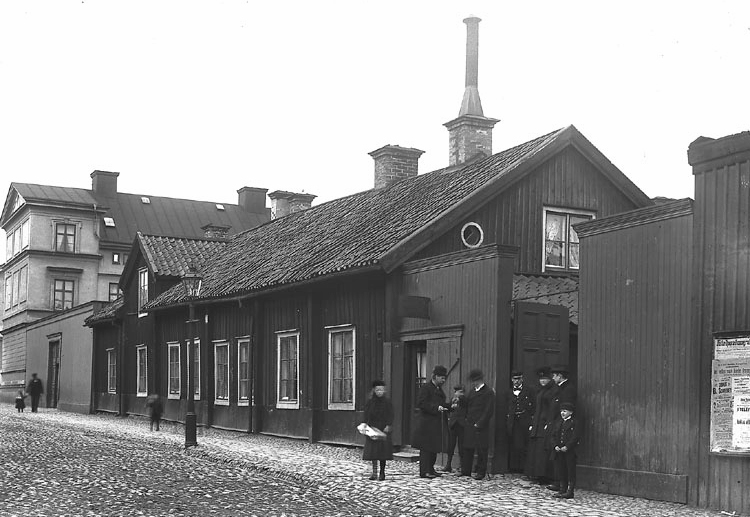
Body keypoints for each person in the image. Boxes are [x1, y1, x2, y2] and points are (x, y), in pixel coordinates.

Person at [412, 365, 450, 479]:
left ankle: (431, 469)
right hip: (426, 423)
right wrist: (435, 408)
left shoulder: (438, 389)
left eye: (444, 378)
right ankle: (424, 471)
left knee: (434, 448)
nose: (443, 380)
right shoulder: (426, 388)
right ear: (436, 377)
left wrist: (450, 406)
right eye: (442, 378)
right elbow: (422, 403)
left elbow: (441, 404)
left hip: (436, 423)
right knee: (426, 449)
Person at [546, 364, 577, 492]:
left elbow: (566, 407)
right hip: (556, 424)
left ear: (560, 376)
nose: (553, 378)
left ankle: (561, 483)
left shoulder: (568, 389)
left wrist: (560, 422)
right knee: (556, 455)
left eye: (554, 376)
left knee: (563, 459)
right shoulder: (557, 388)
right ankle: (558, 481)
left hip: (562, 425)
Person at [524, 366, 558, 485]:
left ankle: (545, 476)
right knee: (535, 450)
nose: (543, 381)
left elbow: (552, 409)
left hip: (545, 422)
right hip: (537, 422)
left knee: (543, 451)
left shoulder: (553, 390)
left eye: (545, 379)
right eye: (541, 379)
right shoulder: (539, 390)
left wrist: (549, 422)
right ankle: (535, 474)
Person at [461, 368, 495, 480]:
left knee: (481, 449)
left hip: (481, 426)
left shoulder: (488, 392)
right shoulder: (472, 391)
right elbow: (468, 405)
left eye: (474, 381)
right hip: (470, 424)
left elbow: (488, 410)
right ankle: (466, 471)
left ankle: (481, 472)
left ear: (479, 380)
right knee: (467, 448)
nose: (473, 383)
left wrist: (480, 423)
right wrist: (460, 399)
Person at [362, 380, 394, 481]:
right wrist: (365, 424)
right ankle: (374, 472)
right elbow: (366, 414)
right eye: (378, 390)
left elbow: (391, 414)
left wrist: (388, 425)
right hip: (373, 428)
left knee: (383, 452)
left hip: (383, 428)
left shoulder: (387, 402)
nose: (380, 392)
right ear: (374, 390)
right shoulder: (370, 402)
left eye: (381, 390)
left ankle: (382, 472)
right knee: (373, 452)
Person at [550, 402, 581, 499]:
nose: (562, 413)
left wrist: (567, 446)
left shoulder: (575, 423)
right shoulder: (559, 422)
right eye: (561, 411)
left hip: (570, 451)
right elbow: (553, 435)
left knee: (570, 470)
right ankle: (562, 489)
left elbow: (575, 437)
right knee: (561, 469)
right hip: (559, 451)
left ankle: (570, 491)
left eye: (565, 411)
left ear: (570, 412)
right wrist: (555, 446)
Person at [506, 370, 535, 473]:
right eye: (514, 379)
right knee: (514, 444)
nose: (516, 381)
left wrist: (531, 421)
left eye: (518, 379)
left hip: (525, 420)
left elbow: (534, 407)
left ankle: (525, 468)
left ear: (522, 379)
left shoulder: (529, 391)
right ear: (512, 380)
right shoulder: (509, 392)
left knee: (524, 444)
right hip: (513, 421)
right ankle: (514, 467)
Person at [441, 384, 466, 473]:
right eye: (458, 392)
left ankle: (462, 466)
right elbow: (449, 408)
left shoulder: (464, 399)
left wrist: (459, 399)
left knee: (461, 446)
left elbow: (464, 402)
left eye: (461, 392)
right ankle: (448, 464)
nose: (460, 394)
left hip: (461, 425)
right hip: (453, 424)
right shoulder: (452, 399)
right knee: (451, 445)